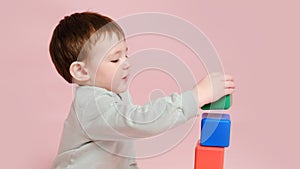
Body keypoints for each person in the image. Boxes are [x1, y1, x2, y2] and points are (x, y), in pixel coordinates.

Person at [49, 11, 235, 169]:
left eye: (126, 54)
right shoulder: (90, 102)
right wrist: (195, 97)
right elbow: (136, 121)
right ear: (81, 71)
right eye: (115, 60)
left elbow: (121, 149)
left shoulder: (113, 93)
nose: (127, 63)